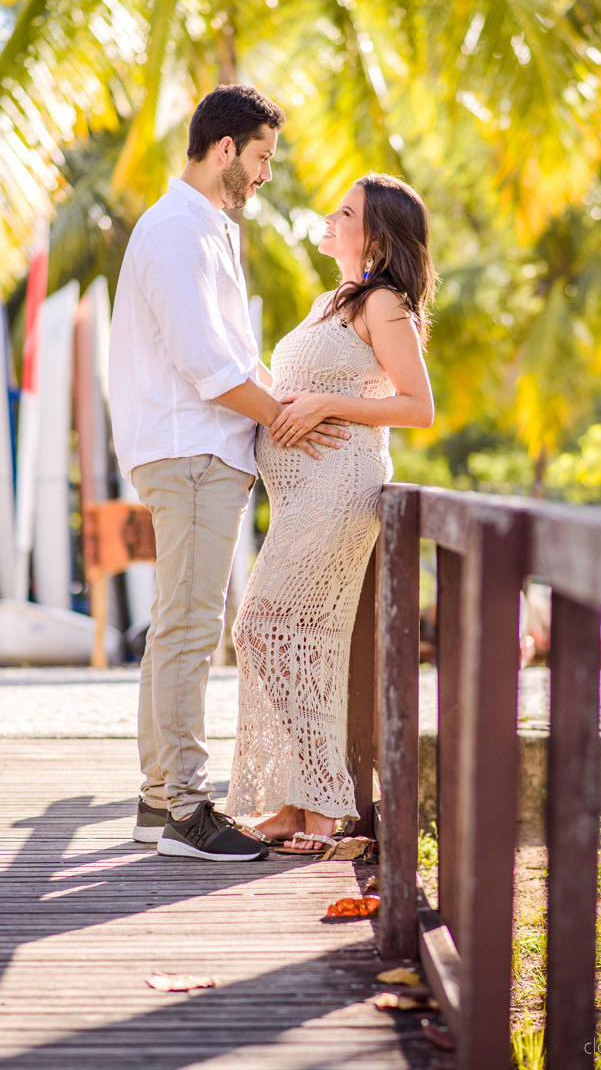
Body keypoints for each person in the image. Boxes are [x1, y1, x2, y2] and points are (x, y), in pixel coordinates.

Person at [108, 84, 349, 862]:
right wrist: (290, 415)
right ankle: (184, 807)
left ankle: (157, 801)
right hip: (189, 450)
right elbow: (209, 366)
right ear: (224, 151)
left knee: (181, 623)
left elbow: (232, 360)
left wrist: (288, 407)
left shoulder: (208, 229)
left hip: (204, 452)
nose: (266, 175)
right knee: (189, 627)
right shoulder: (176, 229)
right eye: (262, 157)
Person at [227, 172, 436, 853]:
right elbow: (295, 383)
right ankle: (298, 805)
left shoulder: (383, 303)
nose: (328, 216)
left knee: (260, 628)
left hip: (339, 490)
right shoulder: (332, 301)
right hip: (297, 498)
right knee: (300, 643)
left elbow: (417, 407)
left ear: (373, 235)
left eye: (344, 211)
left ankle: (321, 804)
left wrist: (325, 406)